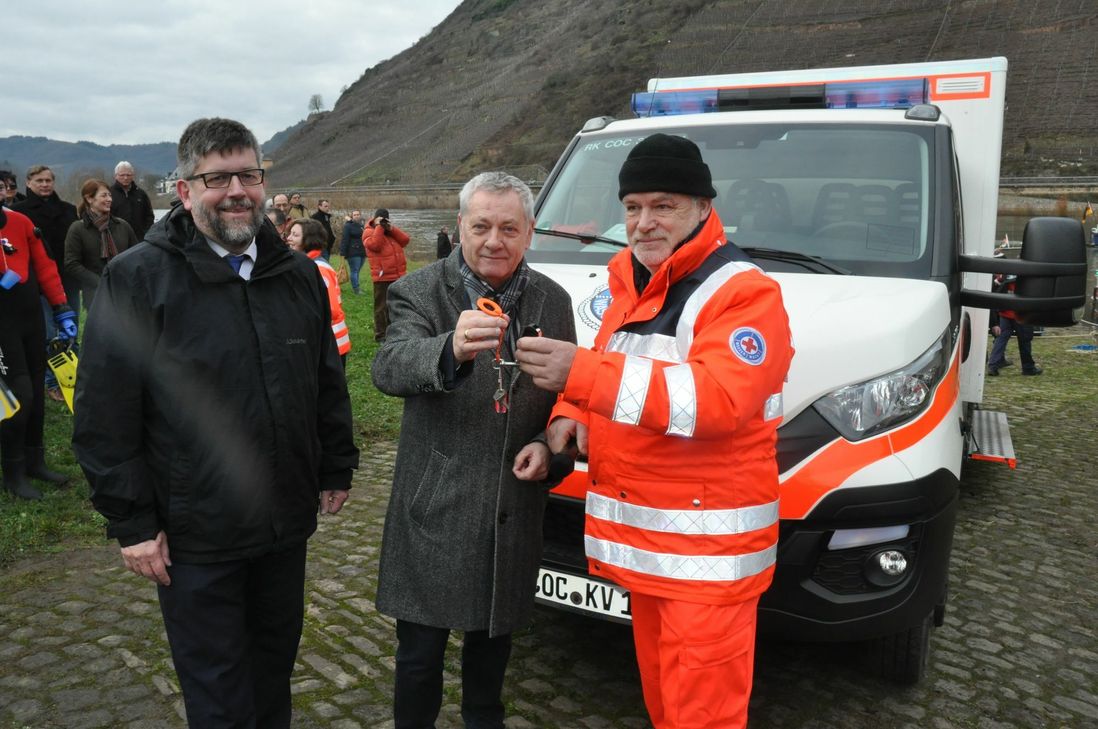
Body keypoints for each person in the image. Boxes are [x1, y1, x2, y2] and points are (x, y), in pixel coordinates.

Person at [71, 117, 359, 729]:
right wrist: (132, 523)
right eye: (217, 178)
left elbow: (325, 382)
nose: (237, 190)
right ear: (184, 189)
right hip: (195, 534)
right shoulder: (137, 280)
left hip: (284, 520)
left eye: (248, 175)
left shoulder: (297, 275)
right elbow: (104, 414)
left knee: (274, 671)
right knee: (220, 693)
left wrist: (336, 462)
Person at [515, 134, 794, 729]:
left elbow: (715, 400)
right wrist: (573, 412)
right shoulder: (634, 281)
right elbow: (618, 361)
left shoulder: (742, 293)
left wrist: (580, 376)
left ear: (701, 208)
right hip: (656, 551)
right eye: (633, 207)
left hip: (706, 560)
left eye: (662, 205)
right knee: (667, 705)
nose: (643, 222)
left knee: (702, 715)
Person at [372, 171, 576, 729]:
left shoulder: (553, 301)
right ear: (460, 225)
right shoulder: (419, 291)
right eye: (481, 225)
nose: (494, 240)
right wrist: (449, 350)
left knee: (491, 664)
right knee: (418, 661)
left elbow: (567, 401)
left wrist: (548, 442)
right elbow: (388, 368)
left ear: (529, 232)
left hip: (512, 507)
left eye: (509, 228)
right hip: (436, 505)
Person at [0, 204, 76, 500]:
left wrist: (61, 308)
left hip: (30, 320)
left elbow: (44, 265)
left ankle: (34, 462)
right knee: (19, 396)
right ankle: (13, 472)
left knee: (36, 391)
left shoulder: (20, 222)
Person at [64, 178, 139, 310]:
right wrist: (101, 282)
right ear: (89, 199)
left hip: (126, 292)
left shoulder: (122, 226)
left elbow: (136, 256)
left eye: (110, 195)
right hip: (95, 295)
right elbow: (72, 264)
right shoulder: (78, 229)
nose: (109, 199)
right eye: (104, 195)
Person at [13, 165, 79, 310]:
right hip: (36, 281)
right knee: (47, 331)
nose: (44, 184)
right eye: (39, 181)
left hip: (68, 279)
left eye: (48, 180)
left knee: (70, 328)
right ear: (28, 183)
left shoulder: (69, 210)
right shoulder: (17, 212)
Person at [286, 217, 351, 365]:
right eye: (290, 233)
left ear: (308, 240)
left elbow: (331, 310)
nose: (288, 238)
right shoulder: (306, 265)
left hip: (331, 345)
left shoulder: (319, 269)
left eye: (295, 235)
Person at [363, 207, 410, 341]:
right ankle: (380, 334)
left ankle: (393, 330)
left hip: (397, 275)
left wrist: (391, 228)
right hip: (382, 276)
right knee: (381, 307)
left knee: (395, 304)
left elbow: (405, 240)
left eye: (385, 219)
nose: (384, 221)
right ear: (375, 218)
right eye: (382, 219)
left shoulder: (389, 232)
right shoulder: (368, 232)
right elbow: (375, 245)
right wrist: (379, 226)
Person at [987, 274, 1042, 376]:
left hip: (1005, 313)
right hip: (1021, 314)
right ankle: (1028, 367)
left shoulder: (1006, 274)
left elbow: (996, 286)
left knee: (1000, 339)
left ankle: (993, 365)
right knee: (1025, 341)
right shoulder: (1028, 277)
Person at [110, 161, 156, 241]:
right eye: (122, 175)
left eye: (128, 175)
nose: (125, 178)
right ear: (116, 176)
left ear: (133, 176)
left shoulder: (141, 194)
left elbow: (149, 216)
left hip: (139, 239)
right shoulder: (109, 193)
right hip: (117, 240)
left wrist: (146, 233)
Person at [339, 209, 366, 294]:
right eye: (355, 215)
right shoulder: (348, 226)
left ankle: (357, 287)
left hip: (362, 251)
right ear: (352, 216)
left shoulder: (361, 225)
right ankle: (356, 289)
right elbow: (345, 240)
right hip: (352, 252)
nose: (357, 216)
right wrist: (343, 252)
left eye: (358, 214)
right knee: (354, 270)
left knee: (357, 270)